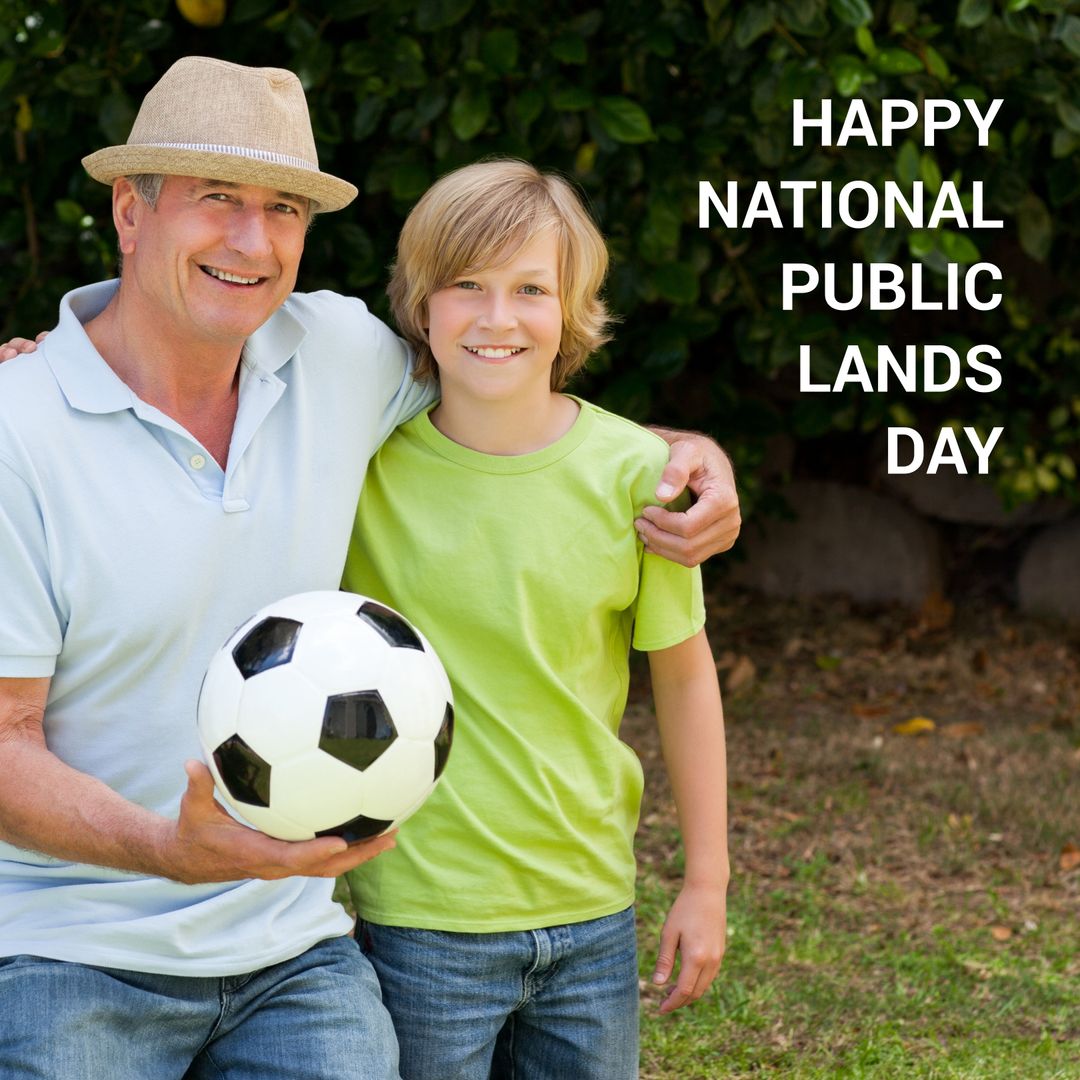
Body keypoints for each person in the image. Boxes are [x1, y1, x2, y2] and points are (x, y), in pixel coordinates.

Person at [0, 58, 737, 1077]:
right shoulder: (20, 429)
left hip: (290, 951)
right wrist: (169, 848)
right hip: (66, 949)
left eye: (283, 209)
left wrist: (686, 456)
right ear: (131, 210)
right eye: (217, 199)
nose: (253, 242)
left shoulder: (338, 355)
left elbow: (512, 406)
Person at [341, 160, 729, 1080]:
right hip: (421, 915)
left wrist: (706, 880)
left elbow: (683, 674)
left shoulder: (642, 474)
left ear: (573, 310)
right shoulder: (360, 467)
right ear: (419, 306)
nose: (497, 317)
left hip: (592, 909)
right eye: (465, 287)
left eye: (530, 290)